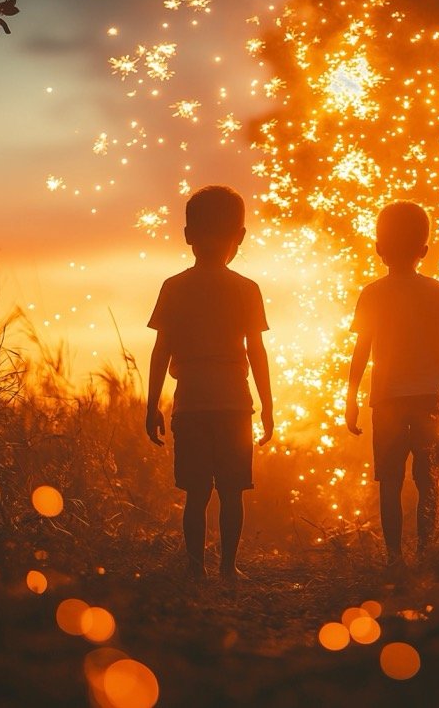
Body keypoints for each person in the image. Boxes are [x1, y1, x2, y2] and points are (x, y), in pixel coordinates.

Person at [146, 185, 273, 581]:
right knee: (232, 491)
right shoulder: (246, 288)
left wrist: (152, 405)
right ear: (241, 236)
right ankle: (229, 568)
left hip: (191, 404)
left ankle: (196, 567)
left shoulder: (175, 286)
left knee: (196, 493)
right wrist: (268, 405)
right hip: (235, 404)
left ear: (188, 234)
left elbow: (160, 351)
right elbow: (257, 353)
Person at [346, 201, 439, 569]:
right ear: (423, 251)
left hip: (388, 401)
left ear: (379, 248)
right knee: (429, 482)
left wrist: (350, 398)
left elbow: (361, 351)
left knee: (391, 483)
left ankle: (395, 557)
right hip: (430, 397)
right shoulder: (436, 290)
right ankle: (425, 554)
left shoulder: (372, 293)